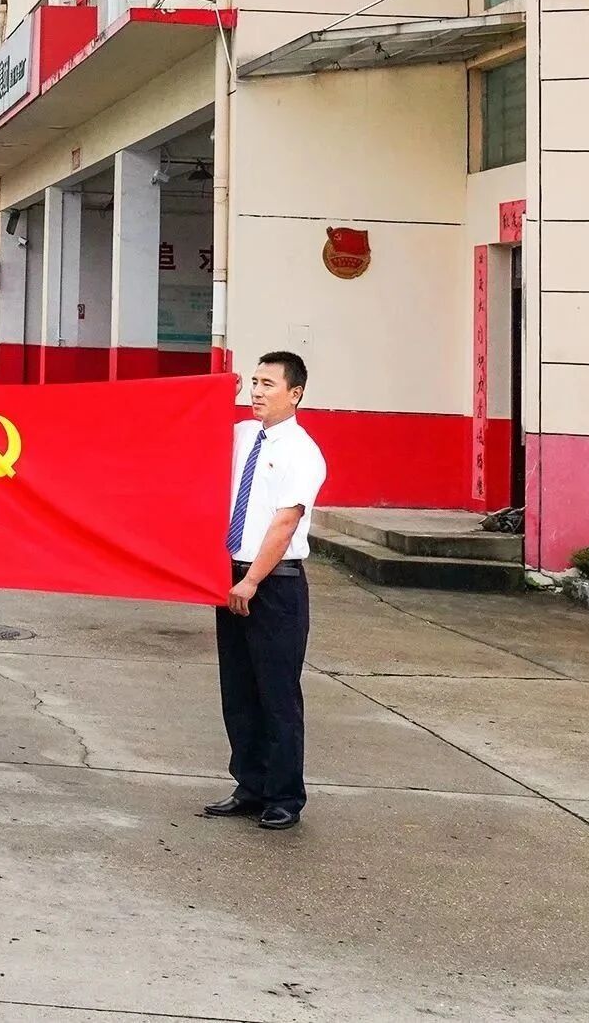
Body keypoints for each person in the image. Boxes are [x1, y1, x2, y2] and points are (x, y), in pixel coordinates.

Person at [207, 350, 328, 832]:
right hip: (230, 575)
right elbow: (193, 431)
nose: (257, 392)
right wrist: (220, 393)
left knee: (277, 693)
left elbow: (285, 522)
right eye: (254, 383)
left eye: (267, 385)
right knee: (238, 690)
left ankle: (283, 796)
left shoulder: (302, 452)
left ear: (295, 394)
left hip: (274, 585)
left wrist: (253, 579)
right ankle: (250, 785)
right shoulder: (241, 436)